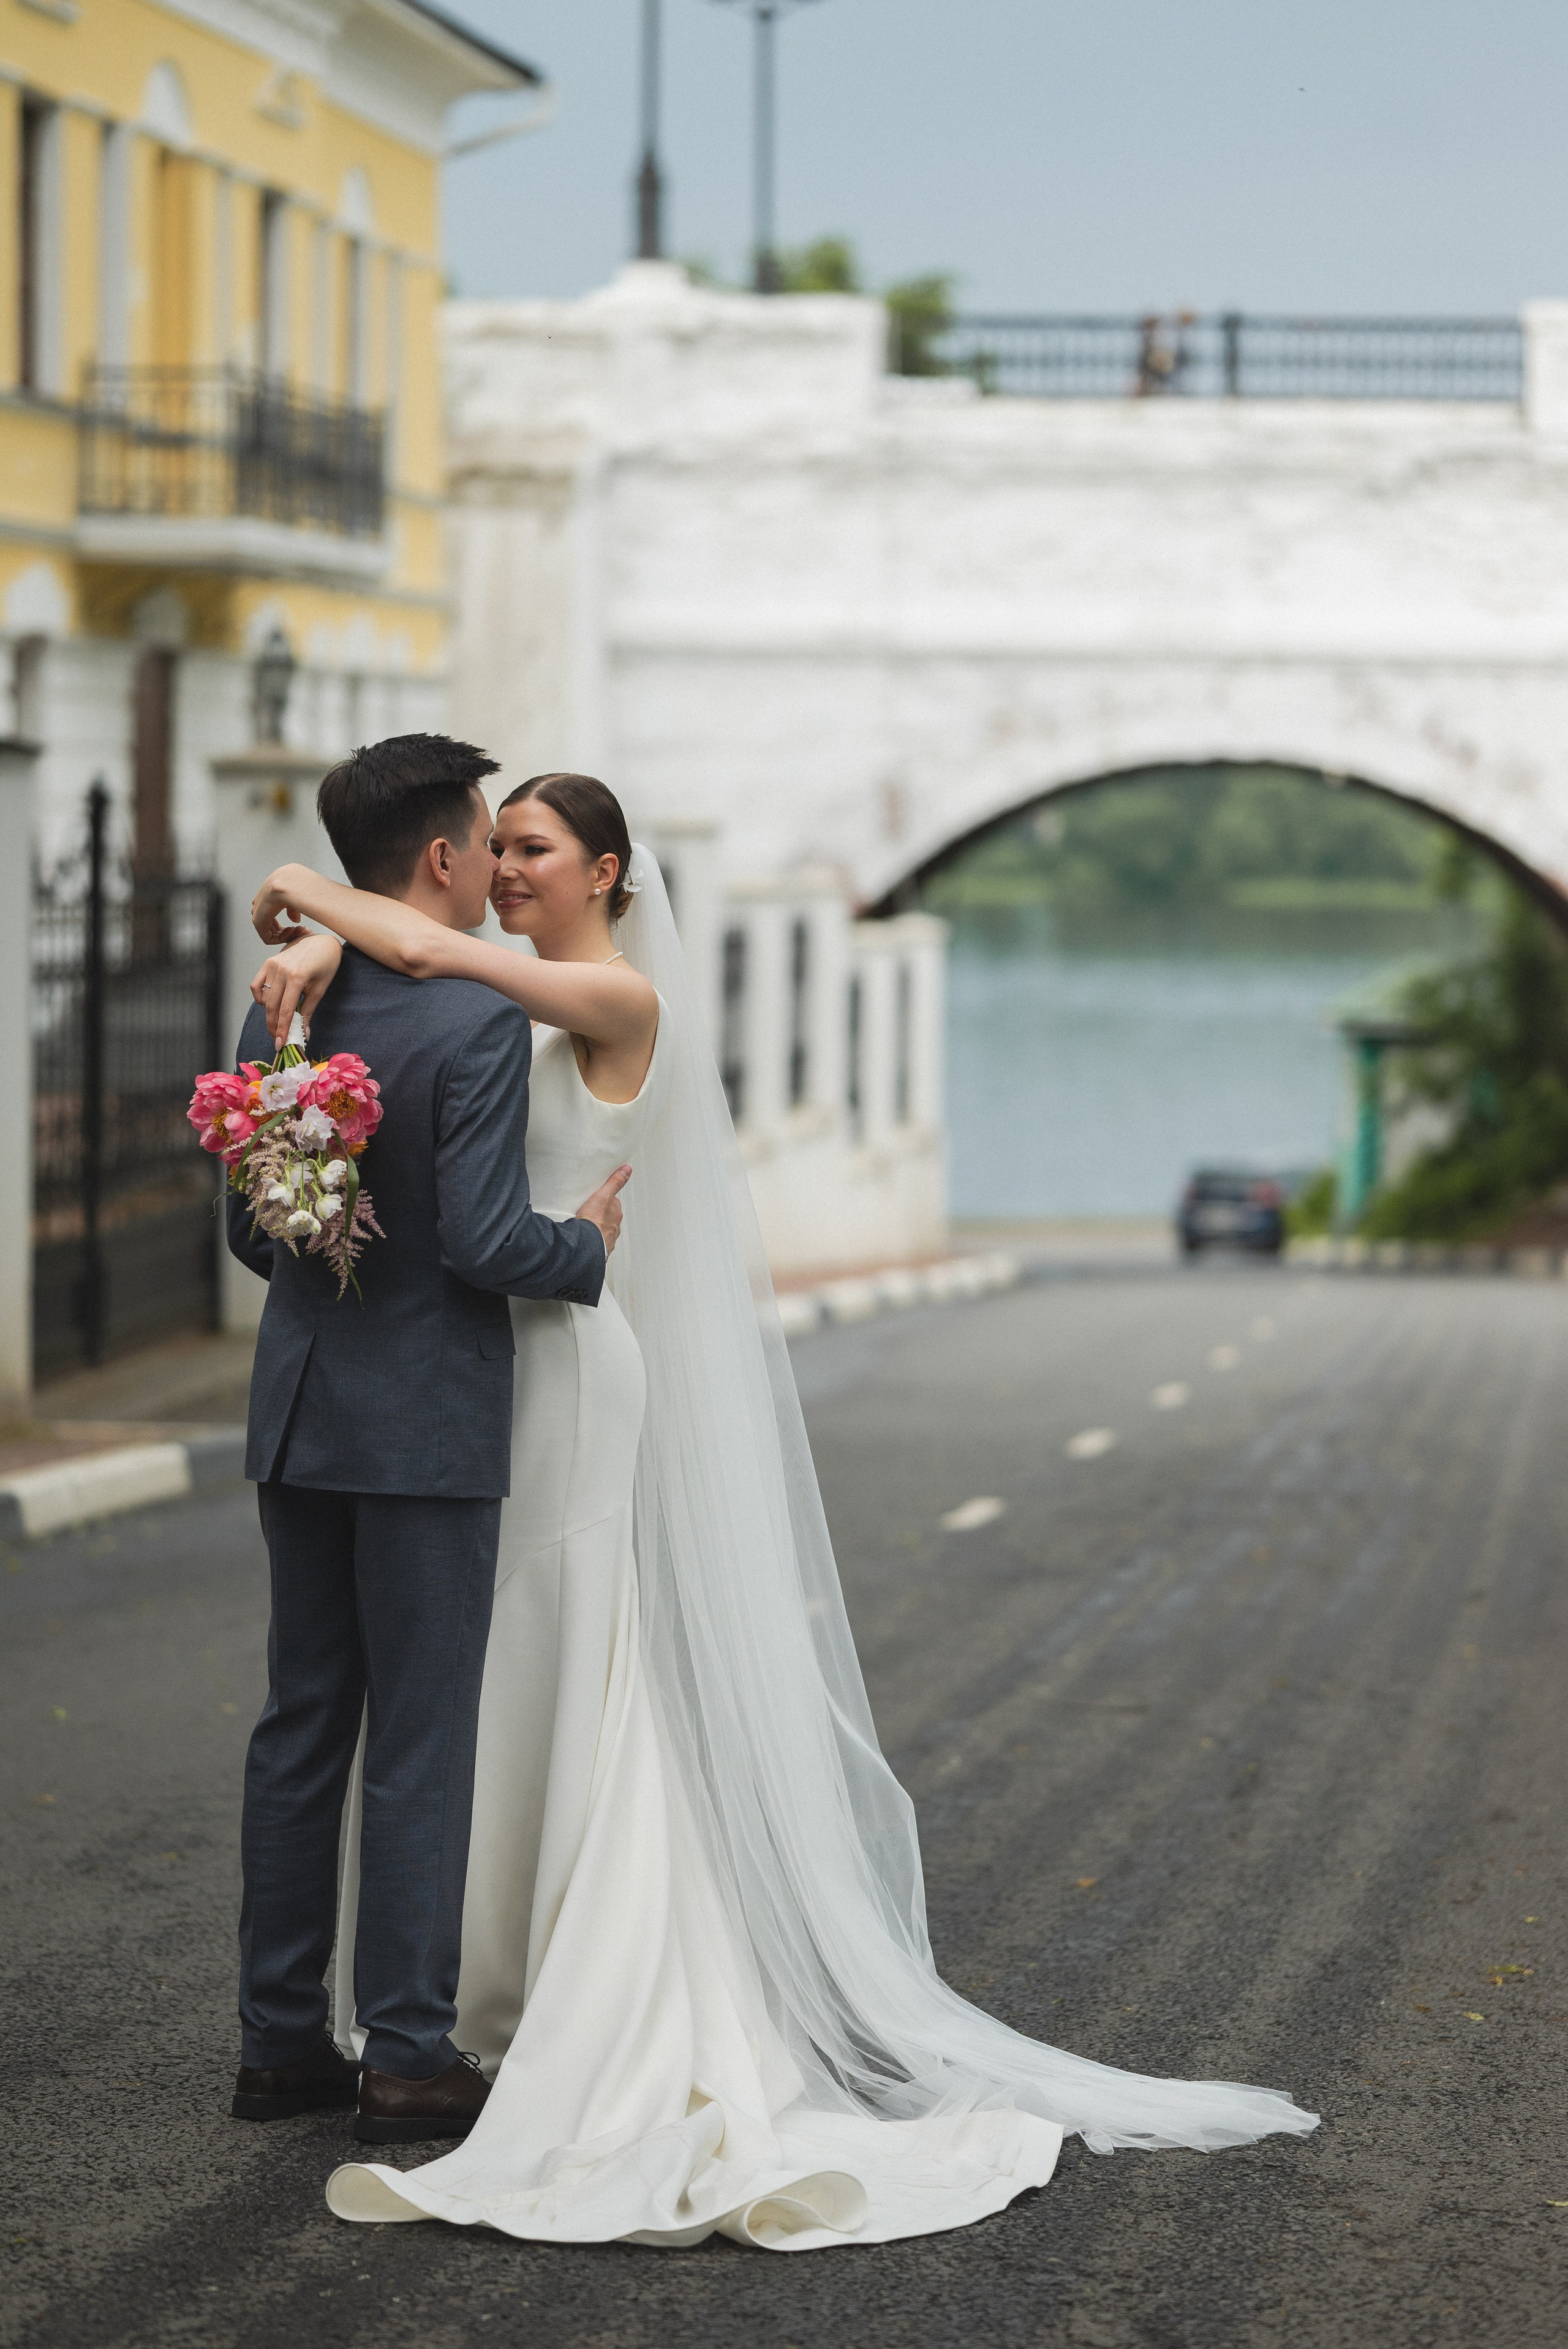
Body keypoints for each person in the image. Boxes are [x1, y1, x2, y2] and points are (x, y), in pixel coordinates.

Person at [246, 768, 1319, 2250]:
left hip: (559, 1361)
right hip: (489, 1370)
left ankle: (515, 2003)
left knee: (539, 1666)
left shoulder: (609, 1000)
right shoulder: (498, 990)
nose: (501, 867)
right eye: (491, 846)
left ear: (609, 874)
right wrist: (323, 940)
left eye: (532, 848)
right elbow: (424, 973)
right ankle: (453, 2010)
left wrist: (311, 907)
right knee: (471, 1695)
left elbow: (431, 958)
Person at [227, 737, 627, 2146]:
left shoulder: (284, 1003)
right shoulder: (473, 1025)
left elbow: (247, 1231)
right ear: (446, 859)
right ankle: (407, 2054)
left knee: (299, 1729)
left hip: (300, 1407)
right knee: (417, 1739)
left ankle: (279, 2043)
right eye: (483, 840)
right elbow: (482, 1242)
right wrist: (582, 1247)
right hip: (429, 1428)